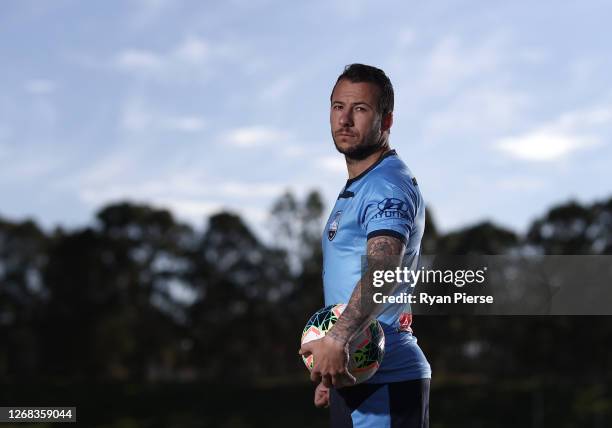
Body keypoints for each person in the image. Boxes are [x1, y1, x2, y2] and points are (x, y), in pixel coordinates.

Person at [299, 64, 431, 427]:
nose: (345, 119)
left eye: (360, 109)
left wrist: (339, 341)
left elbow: (383, 269)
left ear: (386, 121)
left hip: (386, 381)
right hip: (362, 373)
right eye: (338, 106)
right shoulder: (362, 184)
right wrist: (333, 360)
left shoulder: (386, 186)